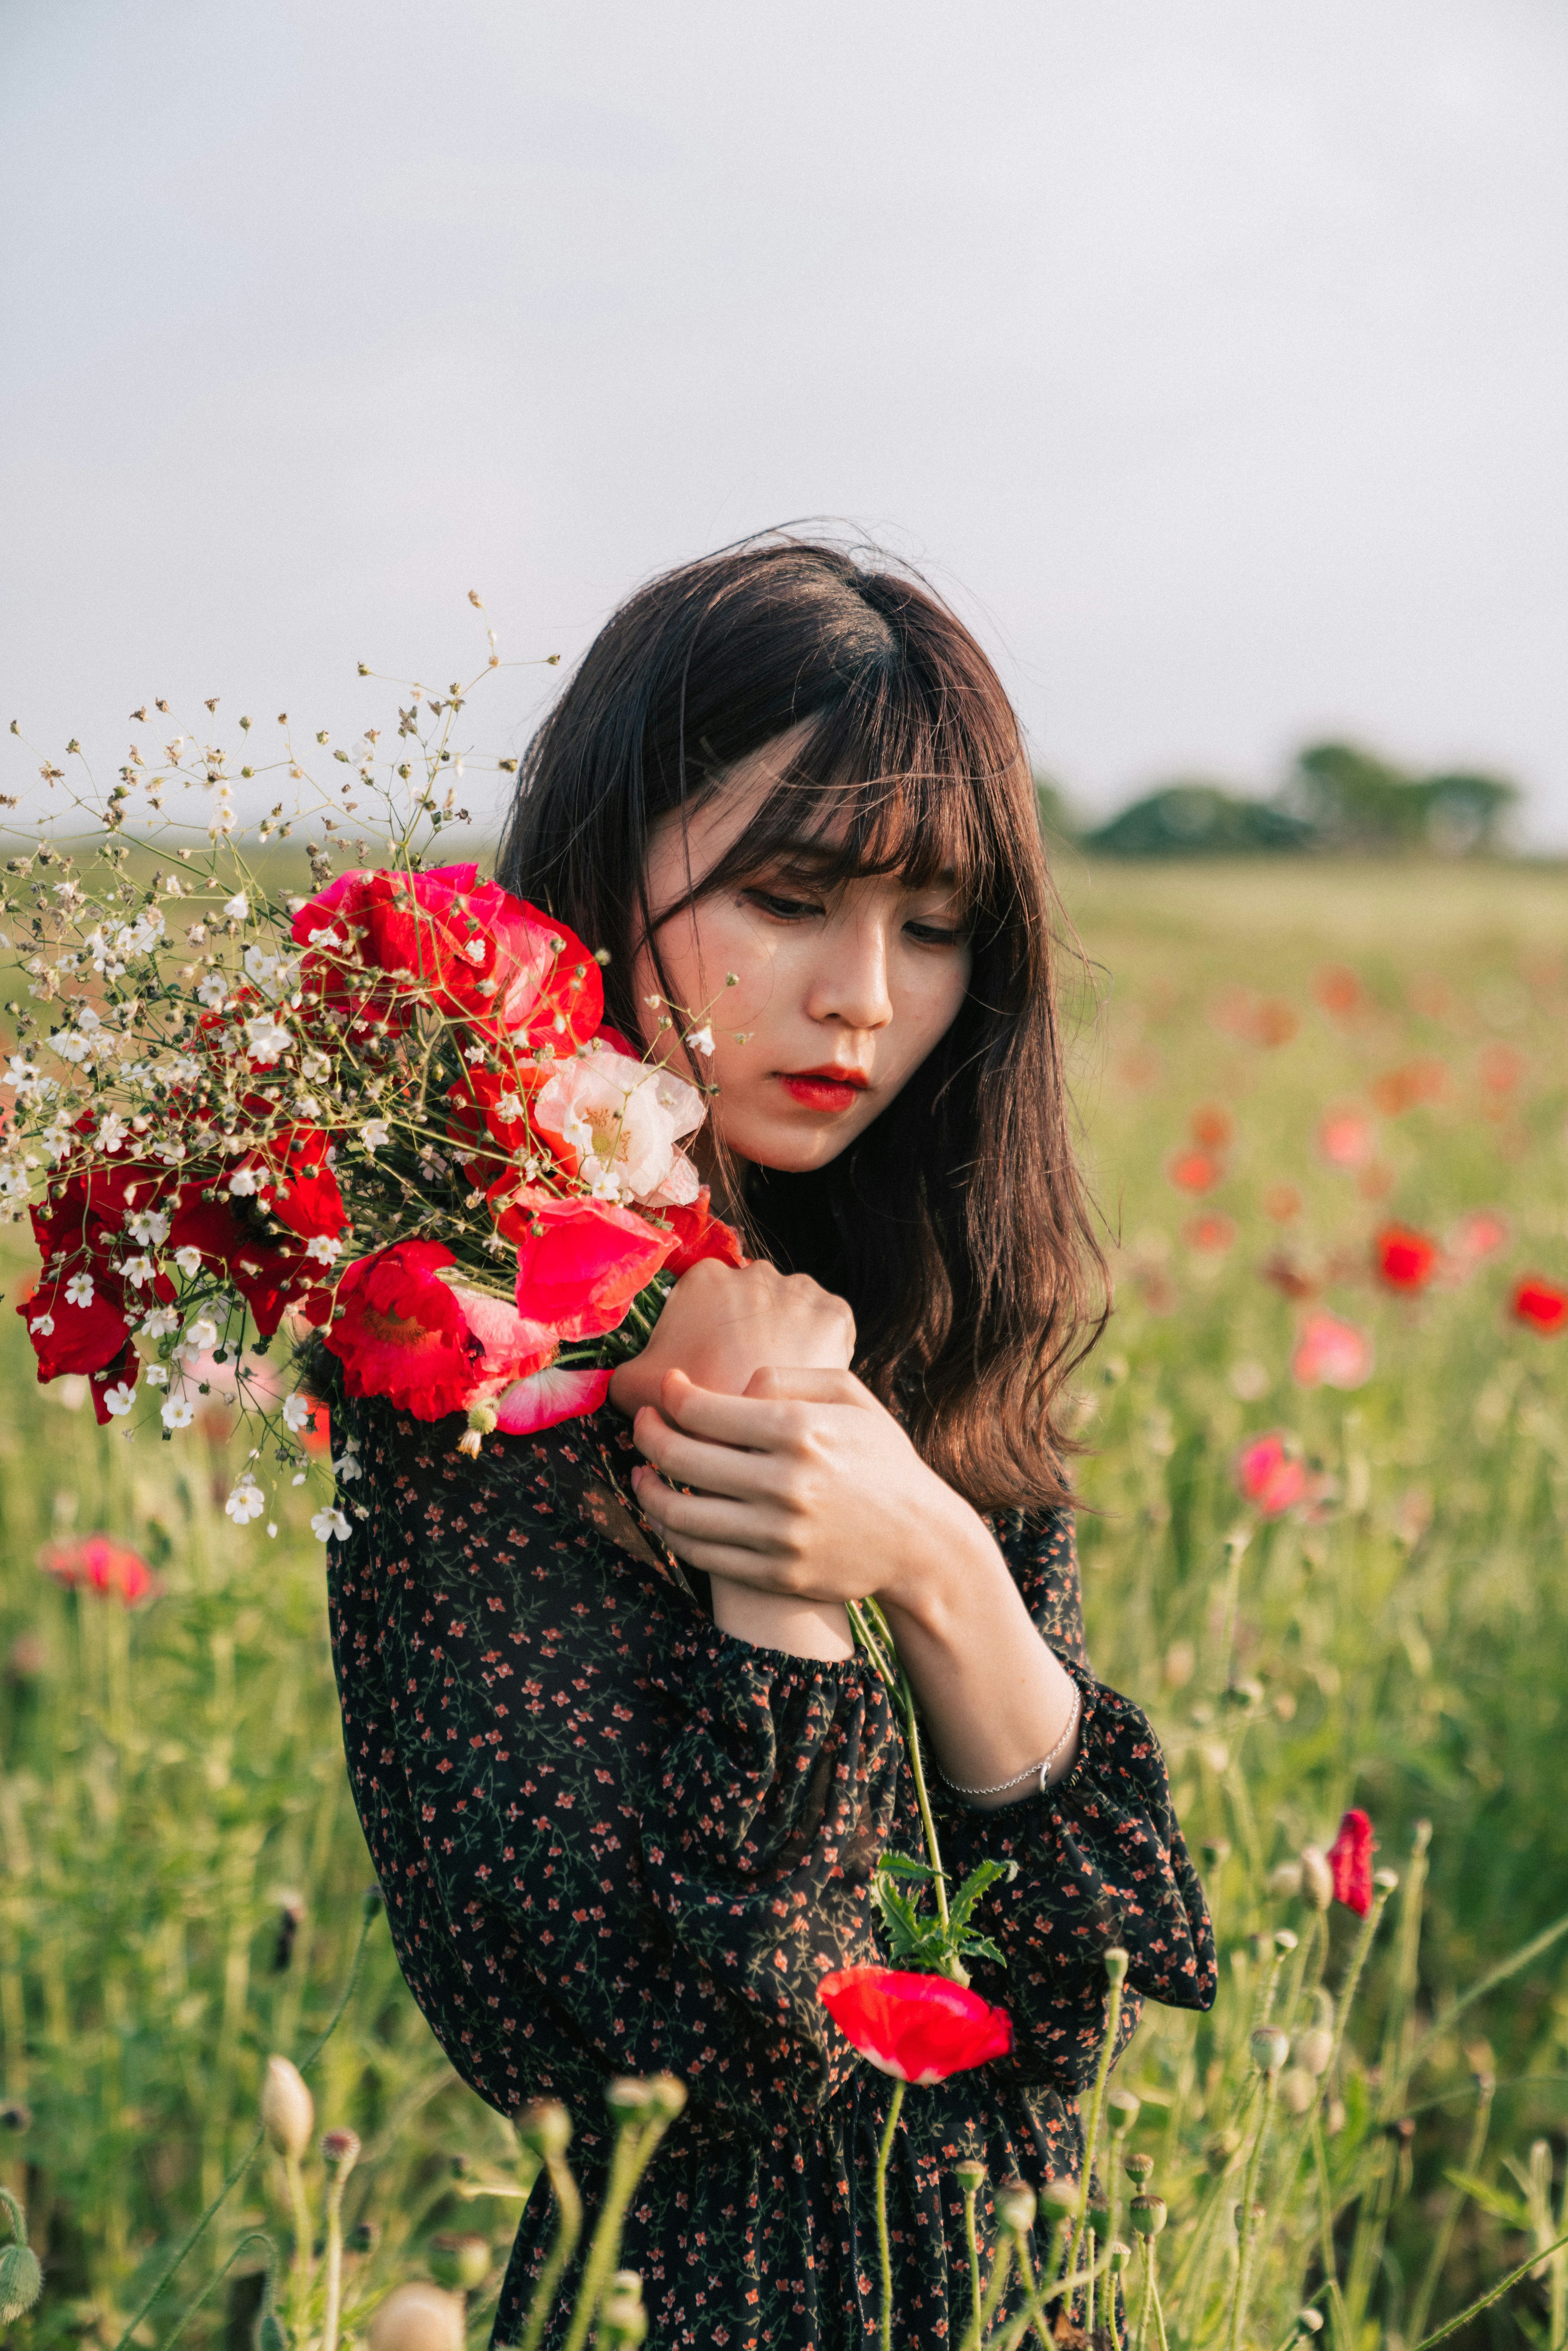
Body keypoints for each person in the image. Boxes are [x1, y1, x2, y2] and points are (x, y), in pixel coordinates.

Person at [324, 538, 1216, 2348]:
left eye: (939, 925)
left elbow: (1080, 2001)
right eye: (795, 896)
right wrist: (786, 1569)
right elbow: (707, 2057)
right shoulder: (459, 1361)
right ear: (605, 866)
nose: (869, 996)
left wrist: (939, 1558)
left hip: (1033, 2303)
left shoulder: (922, 1315)